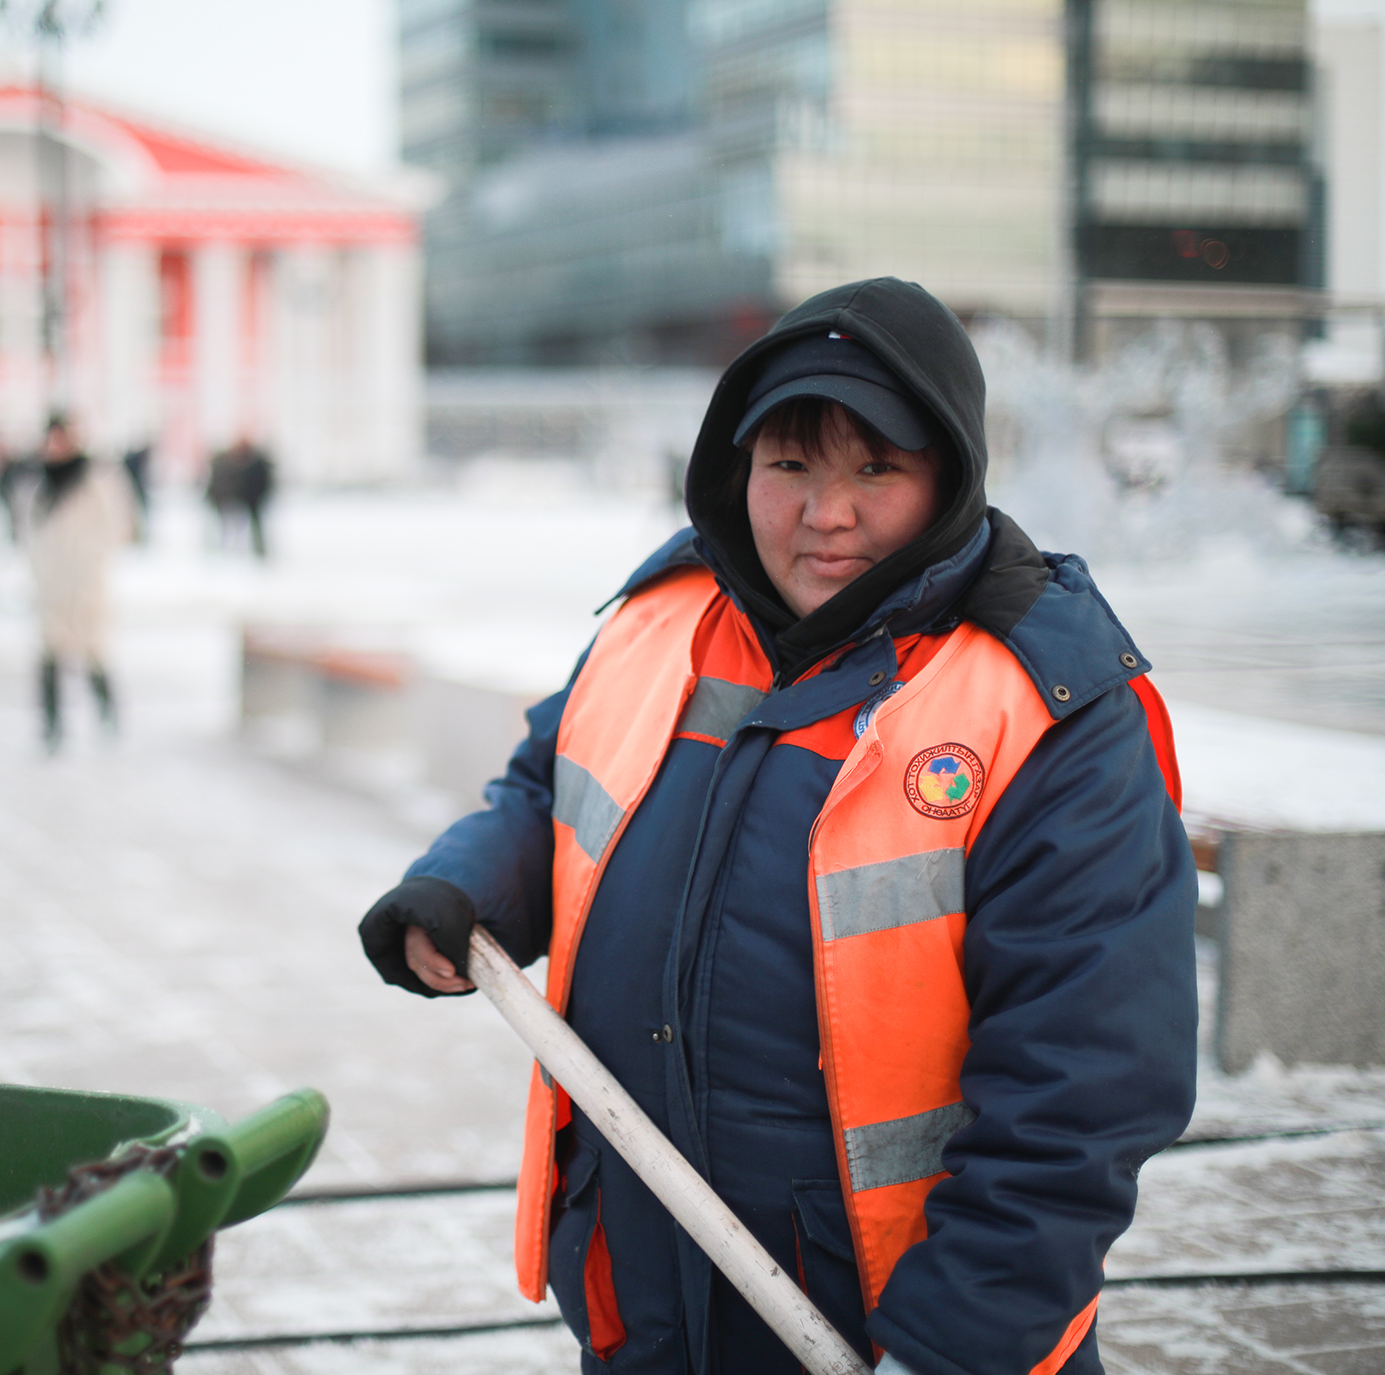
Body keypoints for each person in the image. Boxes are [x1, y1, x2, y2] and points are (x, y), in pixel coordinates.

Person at [357, 279, 1197, 1375]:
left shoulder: (1042, 705)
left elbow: (1081, 1093)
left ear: (946, 475)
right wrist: (467, 889)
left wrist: (956, 1349)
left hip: (886, 1326)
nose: (824, 513)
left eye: (874, 469)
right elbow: (547, 784)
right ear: (734, 466)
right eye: (789, 465)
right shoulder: (664, 620)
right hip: (647, 1294)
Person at [29, 414, 128, 750]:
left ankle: (108, 711)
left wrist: (92, 562)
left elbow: (118, 524)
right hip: (51, 584)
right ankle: (52, 726)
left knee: (93, 653)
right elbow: (31, 529)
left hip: (86, 582)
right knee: (49, 656)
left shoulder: (95, 477)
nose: (55, 446)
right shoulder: (40, 481)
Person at [206, 436, 275, 558]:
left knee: (242, 525)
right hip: (231, 498)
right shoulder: (226, 464)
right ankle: (223, 549)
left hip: (252, 499)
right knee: (227, 525)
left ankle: (253, 549)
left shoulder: (254, 464)